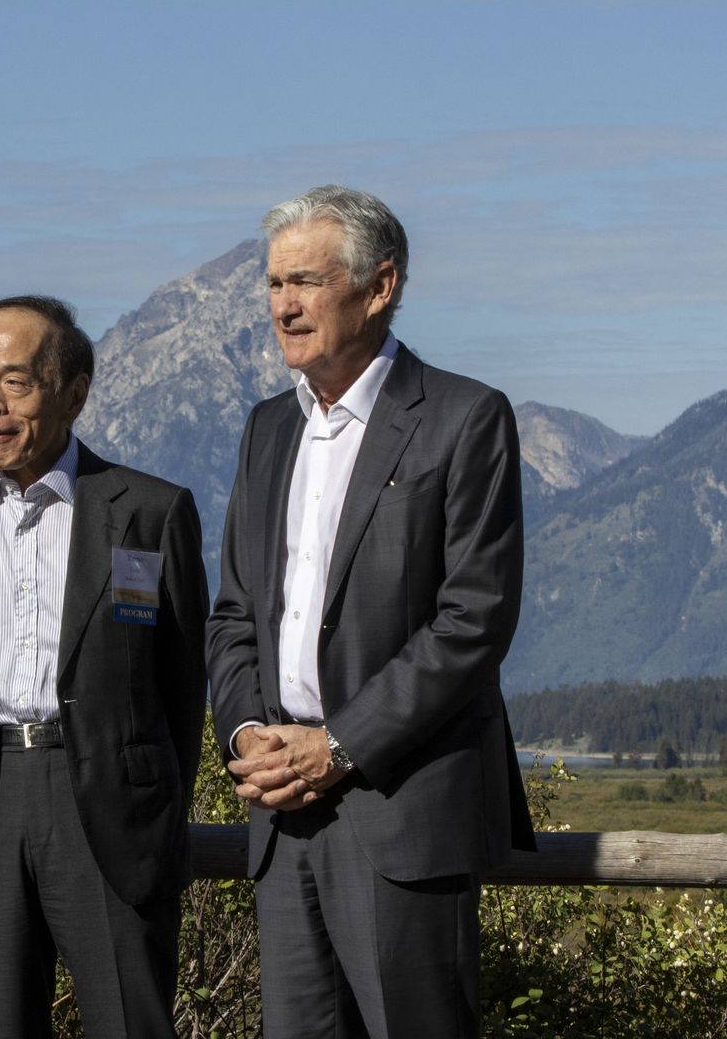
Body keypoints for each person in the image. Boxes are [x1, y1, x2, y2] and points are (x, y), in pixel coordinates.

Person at [207, 186, 537, 1038]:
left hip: (402, 811)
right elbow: (235, 613)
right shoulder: (266, 430)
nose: (283, 305)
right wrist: (246, 737)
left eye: (306, 282)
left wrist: (340, 745)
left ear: (379, 286)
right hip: (282, 811)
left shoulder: (464, 418)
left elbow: (473, 621)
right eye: (274, 283)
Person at [0, 295, 208, 1038]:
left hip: (112, 803)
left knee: (130, 1023)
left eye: (15, 382)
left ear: (74, 393)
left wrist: (153, 801)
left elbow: (181, 683)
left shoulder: (148, 511)